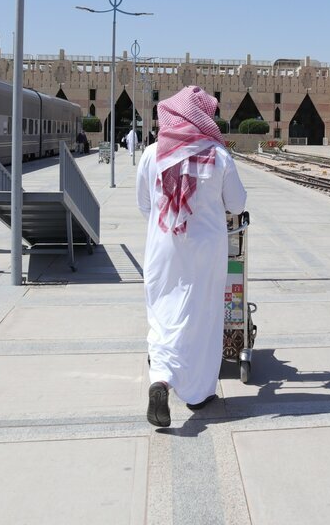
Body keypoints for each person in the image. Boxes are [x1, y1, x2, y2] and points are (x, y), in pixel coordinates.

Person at [136, 86, 246, 427]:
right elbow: (238, 204)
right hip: (207, 250)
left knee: (163, 314)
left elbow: (144, 205)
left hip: (164, 247)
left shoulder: (152, 154)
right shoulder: (218, 155)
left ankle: (161, 379)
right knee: (201, 317)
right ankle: (198, 395)